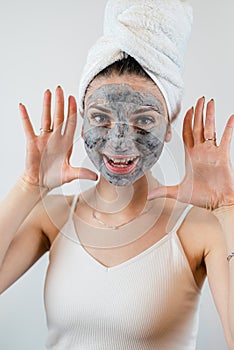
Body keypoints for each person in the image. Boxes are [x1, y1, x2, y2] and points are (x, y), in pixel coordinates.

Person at [0, 1, 234, 349]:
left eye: (143, 120)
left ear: (169, 125)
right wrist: (29, 186)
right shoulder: (54, 217)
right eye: (100, 118)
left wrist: (227, 208)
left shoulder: (198, 230)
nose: (119, 141)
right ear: (81, 122)